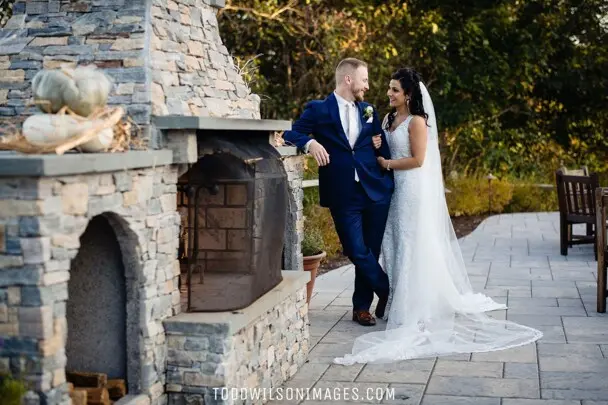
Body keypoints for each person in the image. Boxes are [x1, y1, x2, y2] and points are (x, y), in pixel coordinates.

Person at [333, 68, 543, 365]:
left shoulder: (418, 122)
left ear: (408, 94)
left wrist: (386, 161)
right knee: (392, 243)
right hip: (390, 191)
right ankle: (391, 299)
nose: (389, 94)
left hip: (411, 190)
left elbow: (419, 160)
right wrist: (377, 146)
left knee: (410, 242)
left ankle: (410, 304)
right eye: (389, 89)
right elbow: (377, 141)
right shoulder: (387, 119)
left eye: (395, 90)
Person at [282, 58, 394, 326]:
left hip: (375, 190)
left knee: (371, 249)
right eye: (364, 79)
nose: (367, 85)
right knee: (356, 250)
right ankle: (388, 290)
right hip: (343, 193)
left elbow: (382, 150)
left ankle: (361, 308)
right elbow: (291, 133)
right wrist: (310, 143)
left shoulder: (368, 110)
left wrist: (380, 145)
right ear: (348, 79)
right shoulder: (319, 109)